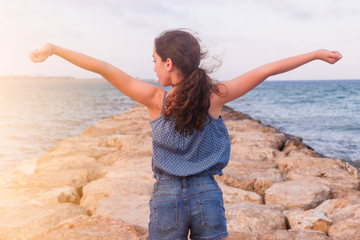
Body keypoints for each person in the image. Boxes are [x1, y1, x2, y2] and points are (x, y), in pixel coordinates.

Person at [30, 29, 342, 240]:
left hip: (166, 197)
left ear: (169, 62)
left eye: (154, 61)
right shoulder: (214, 96)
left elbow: (103, 68)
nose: (153, 68)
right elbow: (265, 70)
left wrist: (54, 49)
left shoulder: (155, 100)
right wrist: (313, 54)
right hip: (206, 194)